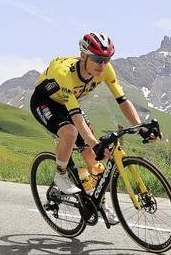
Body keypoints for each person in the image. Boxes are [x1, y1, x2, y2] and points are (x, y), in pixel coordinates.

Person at [29, 32, 149, 193]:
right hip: (44, 102)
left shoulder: (106, 70)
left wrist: (141, 127)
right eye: (97, 59)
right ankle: (61, 175)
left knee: (93, 157)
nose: (102, 65)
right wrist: (96, 144)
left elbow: (122, 100)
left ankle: (96, 202)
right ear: (83, 56)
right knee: (70, 133)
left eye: (106, 60)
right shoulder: (65, 73)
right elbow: (76, 119)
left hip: (69, 103)